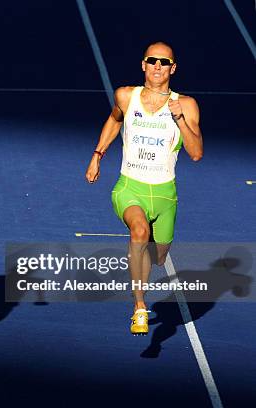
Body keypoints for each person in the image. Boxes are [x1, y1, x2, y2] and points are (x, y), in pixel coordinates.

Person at [85, 41, 203, 335]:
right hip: (130, 187)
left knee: (159, 256)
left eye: (164, 62)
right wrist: (97, 155)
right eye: (152, 61)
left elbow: (197, 152)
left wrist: (178, 119)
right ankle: (140, 307)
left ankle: (144, 262)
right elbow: (114, 120)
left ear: (173, 68)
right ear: (143, 65)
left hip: (164, 194)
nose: (158, 67)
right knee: (139, 232)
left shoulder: (185, 104)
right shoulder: (126, 96)